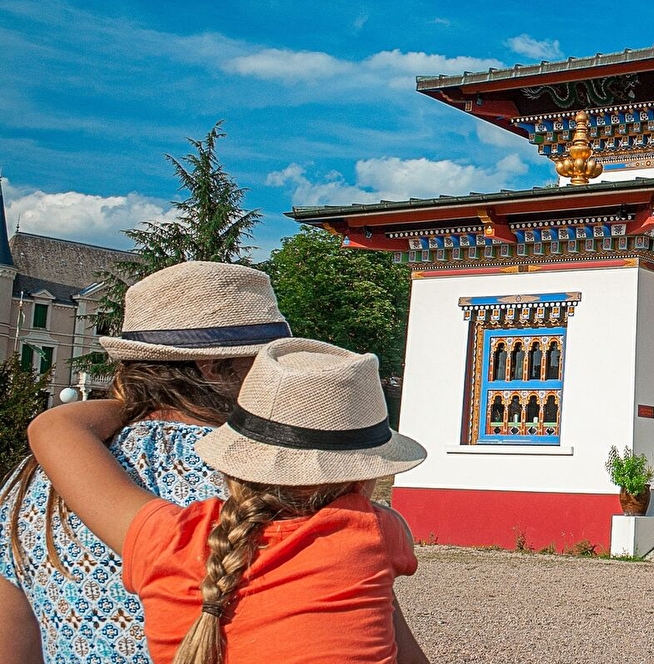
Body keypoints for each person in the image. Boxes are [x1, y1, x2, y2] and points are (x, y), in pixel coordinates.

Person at [28, 337, 427, 664]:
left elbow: (55, 426)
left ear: (234, 456)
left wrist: (144, 400)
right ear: (363, 477)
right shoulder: (371, 531)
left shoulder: (165, 540)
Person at [1, 263, 289, 664]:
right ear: (212, 366)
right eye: (262, 364)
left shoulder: (35, 474)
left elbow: (12, 643)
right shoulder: (276, 474)